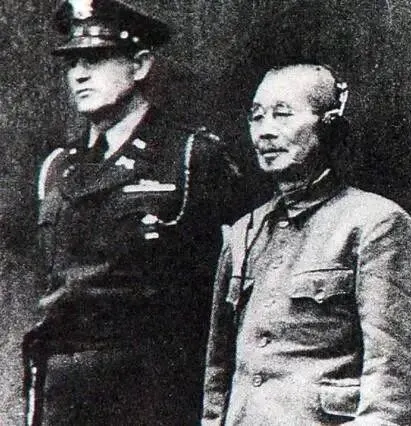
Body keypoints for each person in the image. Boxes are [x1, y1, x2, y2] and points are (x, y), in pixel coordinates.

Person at [22, 1, 243, 424]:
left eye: (96, 59)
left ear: (139, 65)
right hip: (65, 395)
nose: (80, 74)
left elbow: (232, 288)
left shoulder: (191, 157)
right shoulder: (58, 167)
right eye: (73, 63)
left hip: (154, 392)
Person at [201, 64, 411, 425]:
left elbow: (395, 381)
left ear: (328, 127)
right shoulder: (244, 232)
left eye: (282, 114)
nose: (265, 131)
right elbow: (219, 372)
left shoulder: (375, 224)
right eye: (257, 116)